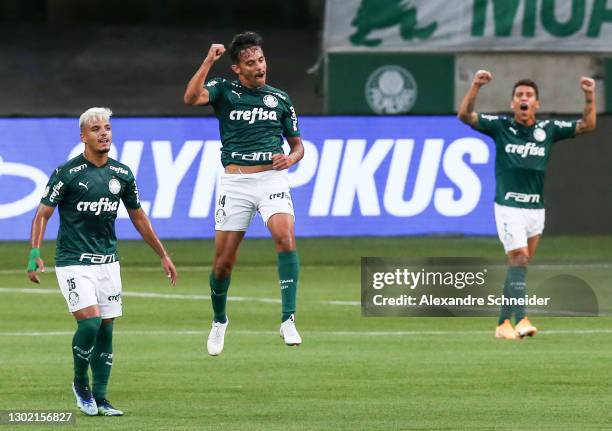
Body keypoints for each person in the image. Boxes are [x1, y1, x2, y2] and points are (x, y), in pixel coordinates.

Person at [27, 107, 178, 416]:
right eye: (96, 129)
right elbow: (43, 213)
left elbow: (139, 217)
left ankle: (102, 396)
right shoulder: (67, 173)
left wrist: (162, 254)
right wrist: (34, 253)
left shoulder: (121, 174)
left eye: (107, 127)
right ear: (84, 136)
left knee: (106, 330)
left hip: (108, 263)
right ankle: (80, 384)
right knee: (91, 323)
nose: (104, 133)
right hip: (73, 262)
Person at [183, 31, 304, 355]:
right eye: (250, 63)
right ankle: (219, 320)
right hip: (235, 183)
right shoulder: (224, 91)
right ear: (237, 68)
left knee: (285, 236)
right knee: (223, 263)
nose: (259, 67)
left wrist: (289, 159)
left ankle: (288, 318)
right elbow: (191, 98)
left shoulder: (279, 98)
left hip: (271, 180)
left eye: (261, 60)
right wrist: (209, 60)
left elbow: (297, 145)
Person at [458, 70, 596, 339]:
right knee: (519, 257)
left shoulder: (548, 129)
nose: (524, 98)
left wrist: (590, 96)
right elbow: (465, 116)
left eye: (529, 95)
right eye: (519, 95)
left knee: (519, 264)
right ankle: (521, 319)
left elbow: (587, 125)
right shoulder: (500, 127)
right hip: (508, 206)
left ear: (536, 104)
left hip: (535, 209)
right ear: (513, 104)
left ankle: (501, 325)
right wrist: (475, 86)